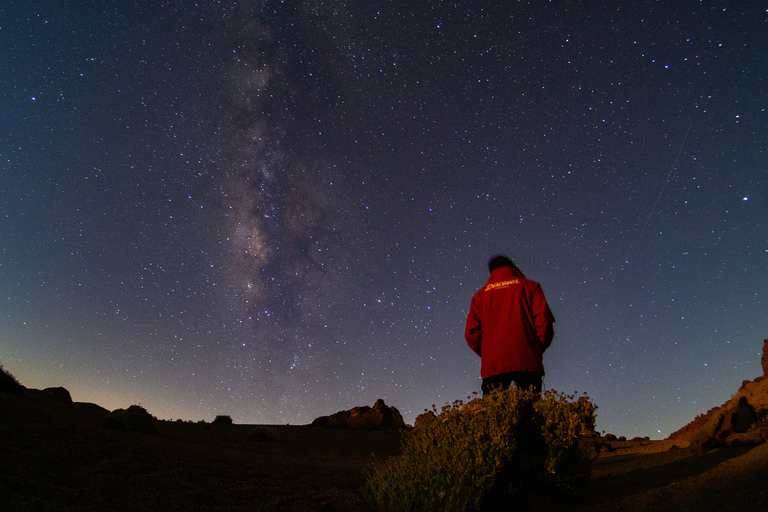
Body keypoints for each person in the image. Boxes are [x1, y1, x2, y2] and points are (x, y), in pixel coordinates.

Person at [464, 255, 555, 395]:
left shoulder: (480, 296)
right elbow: (544, 322)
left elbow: (472, 333)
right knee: (529, 411)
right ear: (513, 267)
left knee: (495, 413)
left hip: (494, 365)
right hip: (527, 359)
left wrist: (489, 354)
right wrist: (535, 348)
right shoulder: (530, 286)